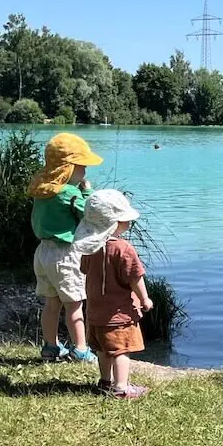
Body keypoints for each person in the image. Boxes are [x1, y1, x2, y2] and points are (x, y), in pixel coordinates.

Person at [28, 133, 102, 363]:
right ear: (68, 168)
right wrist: (87, 191)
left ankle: (50, 346)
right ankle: (80, 349)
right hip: (65, 254)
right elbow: (89, 214)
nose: (85, 172)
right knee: (74, 305)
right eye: (81, 167)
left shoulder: (42, 189)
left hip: (43, 252)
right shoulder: (69, 193)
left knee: (52, 304)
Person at [75, 189, 153, 400]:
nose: (128, 223)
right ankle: (121, 388)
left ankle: (105, 382)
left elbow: (84, 269)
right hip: (119, 313)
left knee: (103, 349)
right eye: (124, 220)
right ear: (114, 223)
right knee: (121, 350)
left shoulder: (90, 247)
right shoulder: (124, 249)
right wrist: (145, 299)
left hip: (95, 312)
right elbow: (135, 277)